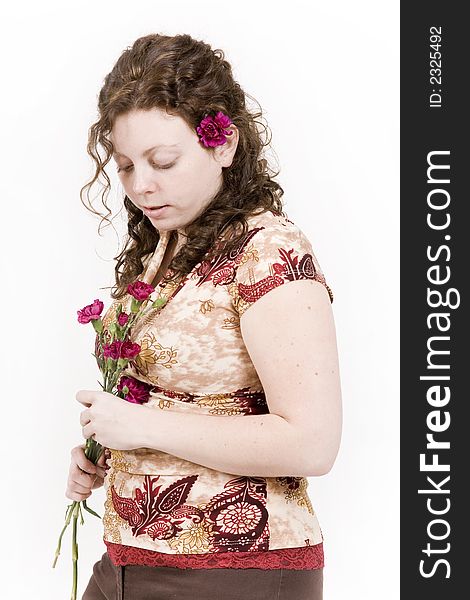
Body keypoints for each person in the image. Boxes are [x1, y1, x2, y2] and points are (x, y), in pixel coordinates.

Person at [66, 32, 342, 600]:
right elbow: (173, 401)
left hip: (236, 573)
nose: (142, 185)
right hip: (126, 560)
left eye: (163, 161)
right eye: (124, 166)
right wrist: (105, 451)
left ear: (222, 144)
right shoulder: (161, 249)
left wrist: (140, 427)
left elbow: (313, 443)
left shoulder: (269, 252)